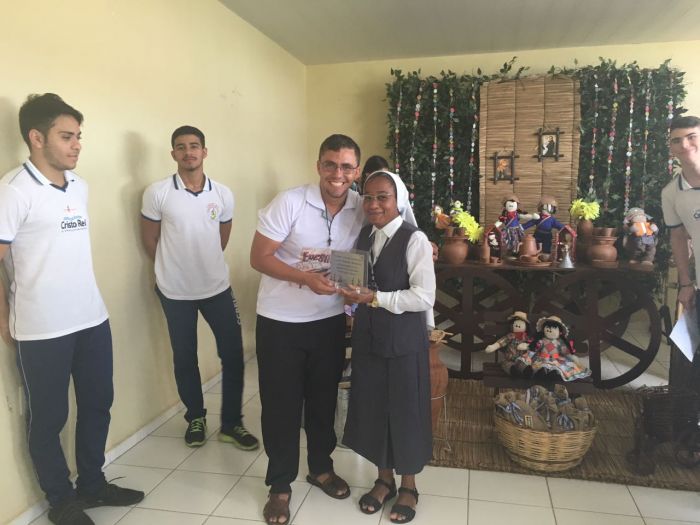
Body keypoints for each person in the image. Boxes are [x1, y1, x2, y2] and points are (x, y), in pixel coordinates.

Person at [0, 94, 143, 525]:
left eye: (78, 136)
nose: (77, 144)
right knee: (49, 418)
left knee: (99, 403)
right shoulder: (13, 191)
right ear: (36, 137)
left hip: (91, 318)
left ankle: (93, 485)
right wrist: (3, 319)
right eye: (66, 136)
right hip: (42, 328)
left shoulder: (80, 186)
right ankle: (61, 501)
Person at [250, 134, 364, 524]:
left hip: (328, 322)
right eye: (330, 164)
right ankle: (280, 485)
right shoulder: (290, 202)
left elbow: (393, 223)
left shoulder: (360, 206)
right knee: (281, 405)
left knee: (322, 400)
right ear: (319, 166)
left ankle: (320, 468)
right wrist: (304, 278)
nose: (337, 174)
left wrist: (424, 243)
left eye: (346, 166)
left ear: (356, 171)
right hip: (280, 321)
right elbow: (258, 257)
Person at [141, 126, 258, 451]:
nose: (188, 152)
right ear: (173, 154)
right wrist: (174, 267)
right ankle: (195, 417)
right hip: (175, 292)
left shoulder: (222, 194)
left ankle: (231, 424)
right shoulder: (157, 192)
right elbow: (150, 240)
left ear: (204, 152)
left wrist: (202, 265)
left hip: (217, 288)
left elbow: (222, 237)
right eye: (181, 147)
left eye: (194, 146)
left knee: (233, 355)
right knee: (184, 358)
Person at [339, 171, 435, 524]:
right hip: (369, 337)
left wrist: (375, 298)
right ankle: (384, 480)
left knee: (405, 410)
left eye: (383, 197)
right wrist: (346, 290)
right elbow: (357, 282)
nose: (374, 204)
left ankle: (409, 486)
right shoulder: (365, 235)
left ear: (399, 200)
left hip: (403, 341)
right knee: (374, 406)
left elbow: (424, 296)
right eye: (368, 197)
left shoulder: (415, 240)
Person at [662, 115, 700, 315]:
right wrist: (685, 284)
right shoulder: (670, 193)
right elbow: (677, 237)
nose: (685, 145)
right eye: (677, 140)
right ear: (671, 147)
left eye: (692, 137)